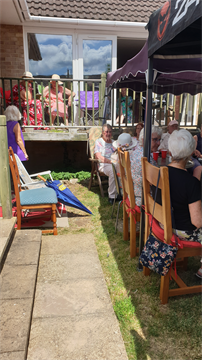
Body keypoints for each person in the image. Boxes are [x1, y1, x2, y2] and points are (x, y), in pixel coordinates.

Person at [168, 129, 202, 278]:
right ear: (190, 153)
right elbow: (197, 222)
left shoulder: (158, 172)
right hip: (181, 231)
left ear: (170, 151)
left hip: (162, 224)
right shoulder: (191, 183)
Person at [130, 126, 162, 206]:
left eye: (159, 140)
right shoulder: (146, 159)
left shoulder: (136, 152)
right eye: (155, 139)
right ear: (144, 140)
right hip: (145, 200)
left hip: (134, 195)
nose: (158, 143)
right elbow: (157, 183)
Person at [94, 124, 118, 205]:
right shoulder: (99, 142)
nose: (108, 133)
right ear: (103, 133)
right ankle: (112, 196)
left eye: (110, 132)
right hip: (103, 164)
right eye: (106, 132)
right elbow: (98, 156)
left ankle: (120, 193)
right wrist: (109, 161)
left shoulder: (115, 142)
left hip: (115, 163)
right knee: (112, 170)